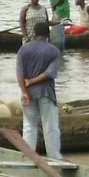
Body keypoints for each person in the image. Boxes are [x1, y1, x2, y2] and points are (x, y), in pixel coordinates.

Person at [16, 21, 62, 159]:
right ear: (48, 35)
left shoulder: (24, 49)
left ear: (34, 33)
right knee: (50, 127)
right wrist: (33, 81)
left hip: (28, 93)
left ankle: (28, 157)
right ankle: (54, 158)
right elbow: (49, 74)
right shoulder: (53, 51)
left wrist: (24, 91)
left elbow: (19, 74)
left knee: (29, 126)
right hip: (46, 93)